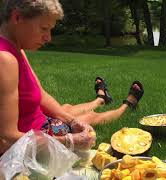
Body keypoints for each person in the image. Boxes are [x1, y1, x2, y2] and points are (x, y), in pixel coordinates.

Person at [0, 0, 144, 154]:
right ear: (17, 18)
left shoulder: (16, 48)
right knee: (89, 117)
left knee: (67, 110)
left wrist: (71, 121)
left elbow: (40, 94)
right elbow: (5, 140)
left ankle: (101, 99)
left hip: (38, 124)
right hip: (32, 141)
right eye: (43, 28)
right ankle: (127, 105)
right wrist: (69, 141)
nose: (48, 38)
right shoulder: (4, 59)